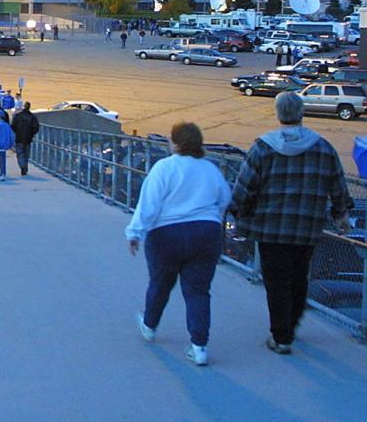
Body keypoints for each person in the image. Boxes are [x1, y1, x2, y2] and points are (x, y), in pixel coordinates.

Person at [231, 91, 351, 355]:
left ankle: (281, 336)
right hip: (307, 227)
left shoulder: (263, 147)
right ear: (301, 112)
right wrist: (341, 214)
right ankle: (292, 325)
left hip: (271, 228)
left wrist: (239, 212)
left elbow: (244, 187)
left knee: (276, 282)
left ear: (278, 113)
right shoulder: (323, 147)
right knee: (299, 277)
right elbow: (338, 185)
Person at [125, 122, 232, 367]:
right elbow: (224, 198)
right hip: (206, 233)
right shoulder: (210, 169)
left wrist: (135, 233)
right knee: (197, 291)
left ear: (175, 143)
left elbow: (149, 205)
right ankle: (199, 346)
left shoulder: (164, 168)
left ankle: (150, 326)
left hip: (166, 235)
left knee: (160, 283)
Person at [11, 102, 40, 175]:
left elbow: (13, 126)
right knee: (26, 155)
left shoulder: (18, 116)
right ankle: (25, 169)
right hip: (28, 139)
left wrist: (17, 132)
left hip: (19, 138)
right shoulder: (32, 117)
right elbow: (36, 127)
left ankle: (22, 165)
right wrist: (31, 134)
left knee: (20, 154)